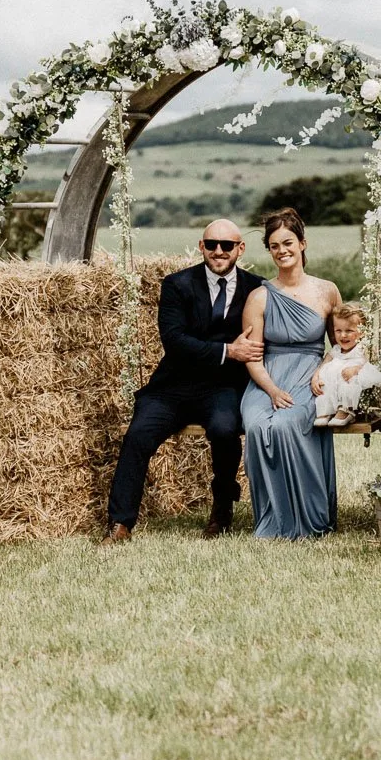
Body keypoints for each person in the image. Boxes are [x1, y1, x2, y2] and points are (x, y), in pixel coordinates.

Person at [100, 219, 266, 544]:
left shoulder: (257, 288)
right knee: (137, 436)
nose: (219, 251)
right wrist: (228, 350)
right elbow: (174, 340)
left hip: (223, 388)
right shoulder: (177, 284)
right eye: (212, 244)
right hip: (173, 386)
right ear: (201, 246)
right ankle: (120, 523)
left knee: (224, 429)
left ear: (240, 249)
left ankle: (221, 510)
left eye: (227, 245)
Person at [240, 208, 342, 539]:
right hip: (267, 379)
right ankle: (273, 518)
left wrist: (325, 368)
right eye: (274, 246)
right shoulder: (259, 296)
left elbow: (343, 344)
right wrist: (269, 390)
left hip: (310, 377)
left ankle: (308, 516)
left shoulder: (327, 291)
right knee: (257, 426)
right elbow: (252, 356)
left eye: (288, 243)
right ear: (269, 251)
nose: (282, 251)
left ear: (302, 243)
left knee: (286, 424)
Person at [311, 301, 381, 426]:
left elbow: (374, 366)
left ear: (362, 331)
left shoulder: (363, 348)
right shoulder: (335, 350)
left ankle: (346, 409)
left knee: (352, 378)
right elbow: (324, 364)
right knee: (326, 372)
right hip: (334, 385)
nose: (343, 335)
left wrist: (356, 369)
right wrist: (316, 376)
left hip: (352, 381)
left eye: (349, 330)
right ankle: (326, 410)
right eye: (338, 330)